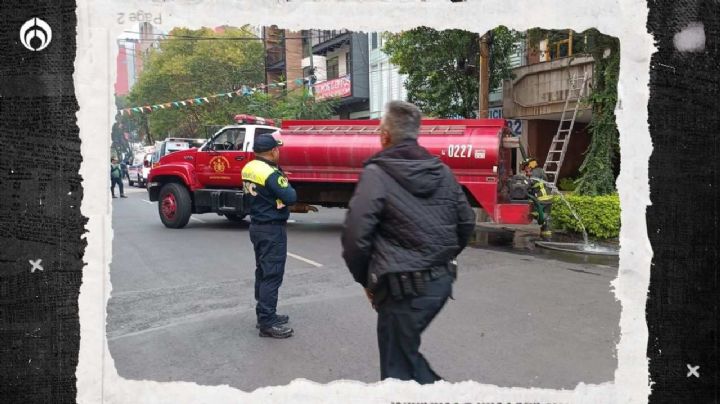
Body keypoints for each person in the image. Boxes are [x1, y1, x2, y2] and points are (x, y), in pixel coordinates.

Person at [341, 101, 476, 384]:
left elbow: (355, 236)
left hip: (401, 291)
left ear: (385, 136)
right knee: (404, 358)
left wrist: (366, 281)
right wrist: (439, 259)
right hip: (439, 284)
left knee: (397, 375)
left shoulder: (377, 174)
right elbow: (466, 224)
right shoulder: (443, 172)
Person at [241, 133, 297, 339]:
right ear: (273, 151)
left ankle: (264, 313)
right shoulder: (270, 172)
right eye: (277, 149)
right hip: (272, 228)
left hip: (257, 226)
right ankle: (267, 321)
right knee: (272, 274)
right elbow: (290, 197)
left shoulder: (249, 167)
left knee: (263, 272)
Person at [520, 157, 553, 239]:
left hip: (543, 199)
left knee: (537, 214)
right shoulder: (538, 171)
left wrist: (523, 182)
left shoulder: (536, 172)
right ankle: (546, 235)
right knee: (545, 219)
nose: (525, 171)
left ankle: (546, 234)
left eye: (526, 168)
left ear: (530, 165)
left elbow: (531, 183)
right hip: (547, 199)